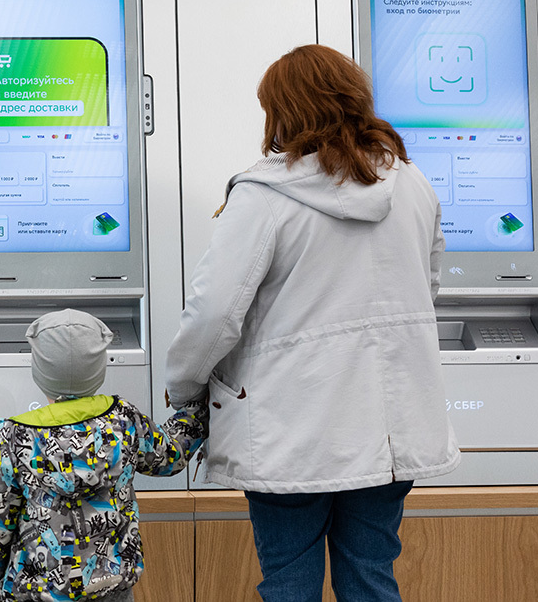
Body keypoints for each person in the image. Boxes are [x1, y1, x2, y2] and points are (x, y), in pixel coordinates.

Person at [164, 44, 460, 602]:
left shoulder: (263, 196)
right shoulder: (412, 184)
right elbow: (427, 287)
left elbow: (214, 312)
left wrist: (184, 386)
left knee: (289, 582)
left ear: (285, 111)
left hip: (291, 431)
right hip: (390, 429)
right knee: (372, 577)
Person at [0, 308, 208, 602]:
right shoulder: (124, 420)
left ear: (38, 370)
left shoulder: (15, 436)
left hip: (38, 592)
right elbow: (171, 455)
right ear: (98, 369)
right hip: (112, 588)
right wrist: (197, 411)